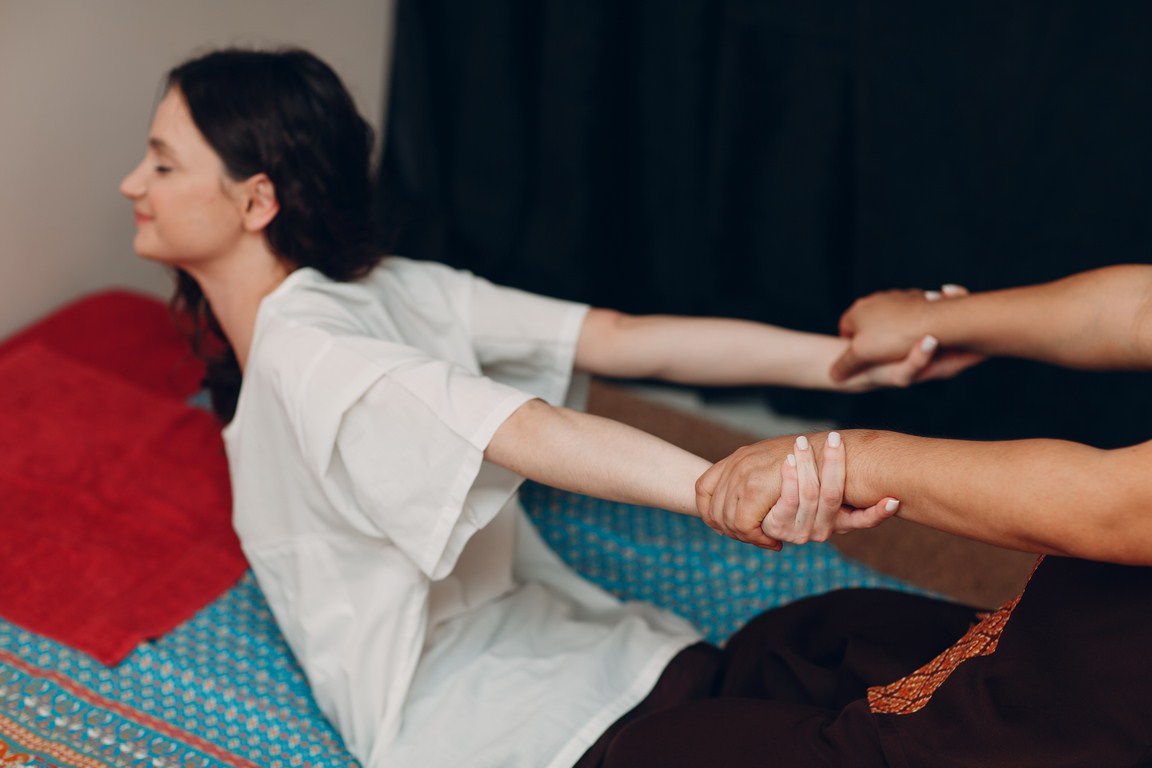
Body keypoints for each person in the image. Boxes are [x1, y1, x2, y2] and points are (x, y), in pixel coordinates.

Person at [119, 47, 950, 767]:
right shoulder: (379, 294)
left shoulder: (312, 343)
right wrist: (843, 368)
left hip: (536, 716)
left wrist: (743, 466)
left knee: (855, 652)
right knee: (879, 679)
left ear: (256, 201)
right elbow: (623, 339)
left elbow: (542, 414)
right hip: (572, 708)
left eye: (161, 163)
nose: (132, 183)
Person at [688, 268, 1152, 766]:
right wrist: (935, 318)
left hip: (1099, 718)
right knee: (790, 646)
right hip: (1077, 622)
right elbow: (1140, 306)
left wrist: (853, 461)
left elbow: (1116, 507)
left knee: (663, 748)